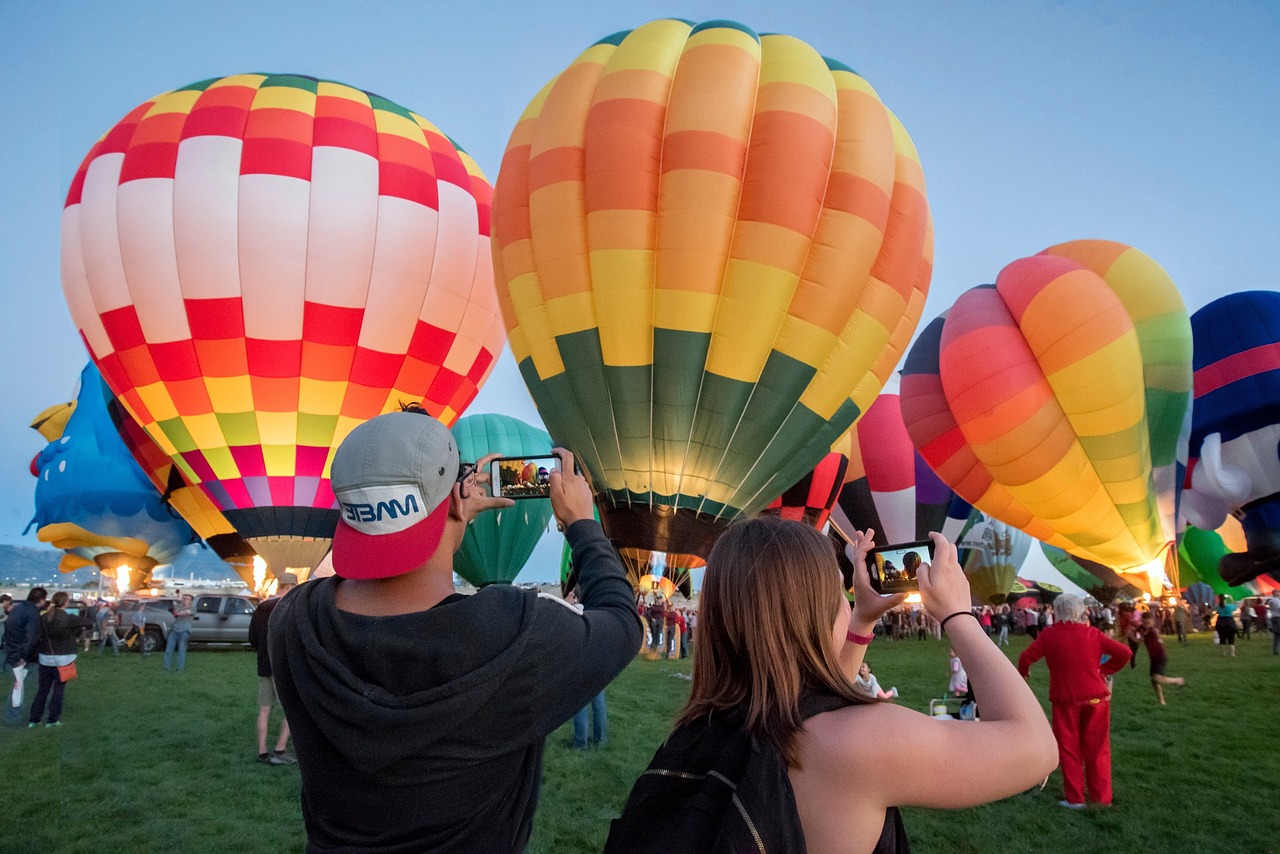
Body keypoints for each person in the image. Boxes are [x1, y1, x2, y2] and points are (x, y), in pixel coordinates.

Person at [268, 411, 643, 852]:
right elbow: (620, 621)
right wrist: (582, 524)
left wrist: (448, 514)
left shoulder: (291, 623)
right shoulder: (515, 632)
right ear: (455, 501)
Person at [610, 520, 1058, 853]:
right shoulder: (860, 741)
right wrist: (958, 614)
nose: (844, 606)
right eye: (837, 596)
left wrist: (862, 617)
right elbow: (1035, 745)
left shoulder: (703, 726)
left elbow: (811, 707)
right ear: (816, 610)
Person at [1018, 593, 1132, 808]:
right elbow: (1124, 653)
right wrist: (1102, 671)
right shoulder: (1093, 634)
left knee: (1069, 749)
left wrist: (1024, 673)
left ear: (1057, 611)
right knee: (1098, 749)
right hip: (1096, 698)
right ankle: (1102, 798)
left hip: (1065, 700)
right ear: (1080, 611)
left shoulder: (1049, 636)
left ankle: (1075, 798)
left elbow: (1026, 658)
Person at [249, 573, 298, 766]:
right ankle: (280, 749)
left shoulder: (261, 607)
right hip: (282, 667)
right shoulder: (288, 607)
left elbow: (252, 637)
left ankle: (262, 752)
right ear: (291, 586)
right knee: (291, 709)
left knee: (264, 709)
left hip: (263, 665)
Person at [28, 591, 93, 728]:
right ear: (65, 603)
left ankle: (34, 719)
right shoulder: (68, 618)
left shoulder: (44, 617)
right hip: (63, 659)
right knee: (58, 690)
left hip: (45, 658)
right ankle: (52, 720)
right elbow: (89, 622)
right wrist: (89, 605)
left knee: (43, 690)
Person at [4, 588, 47, 726]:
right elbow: (32, 638)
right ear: (41, 600)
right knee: (23, 687)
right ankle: (15, 717)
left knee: (19, 686)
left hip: (13, 651)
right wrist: (24, 656)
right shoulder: (33, 614)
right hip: (25, 657)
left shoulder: (17, 609)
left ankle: (15, 716)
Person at [1134, 612, 1186, 705]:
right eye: (1145, 623)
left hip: (1160, 656)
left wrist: (1134, 634)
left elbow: (1144, 637)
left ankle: (1177, 680)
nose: (1147, 625)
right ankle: (1162, 702)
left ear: (1152, 622)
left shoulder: (1153, 630)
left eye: (1149, 623)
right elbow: (1137, 636)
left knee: (1156, 678)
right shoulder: (1143, 629)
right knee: (1154, 681)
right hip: (1153, 658)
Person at [163, 594, 194, 672]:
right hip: (174, 630)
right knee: (168, 650)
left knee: (181, 650)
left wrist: (178, 613)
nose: (185, 600)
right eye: (184, 599)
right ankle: (166, 668)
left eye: (187, 599)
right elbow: (175, 613)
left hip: (185, 631)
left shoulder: (193, 608)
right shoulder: (179, 607)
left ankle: (179, 669)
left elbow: (188, 612)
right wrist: (173, 611)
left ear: (190, 601)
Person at [1268, 589, 1280, 656]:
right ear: (1275, 593)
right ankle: (1275, 651)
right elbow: (1279, 609)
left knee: (1276, 635)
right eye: (1278, 592)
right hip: (1278, 617)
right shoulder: (1277, 600)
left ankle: (1275, 650)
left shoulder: (1270, 600)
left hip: (1273, 617)